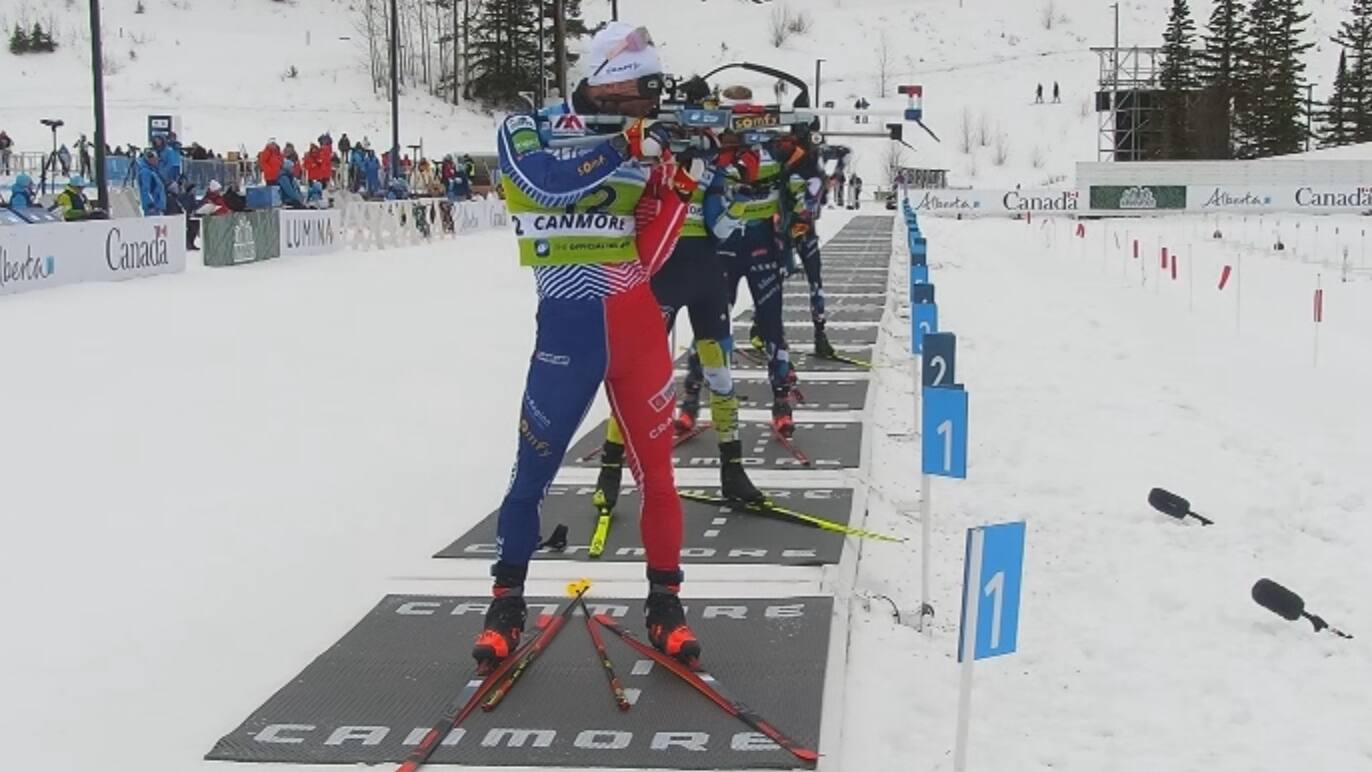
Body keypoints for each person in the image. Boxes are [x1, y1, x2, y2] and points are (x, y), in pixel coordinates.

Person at [477, 21, 702, 672]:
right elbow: (546, 182)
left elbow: (647, 256)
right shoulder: (527, 127)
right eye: (642, 92)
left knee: (658, 476)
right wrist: (626, 145)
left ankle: (666, 606)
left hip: (634, 322)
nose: (651, 106)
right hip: (567, 330)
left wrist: (680, 186)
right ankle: (505, 603)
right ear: (609, 83)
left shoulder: (645, 145)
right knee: (531, 474)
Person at [593, 122, 766, 520]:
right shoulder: (654, 159)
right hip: (661, 280)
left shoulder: (709, 163)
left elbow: (721, 230)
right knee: (636, 378)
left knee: (720, 375)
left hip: (706, 279)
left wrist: (741, 192)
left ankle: (733, 469)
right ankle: (610, 469)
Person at [778, 132, 834, 358]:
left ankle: (820, 334)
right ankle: (763, 329)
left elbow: (813, 202)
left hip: (799, 228)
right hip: (784, 228)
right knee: (775, 280)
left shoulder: (809, 164)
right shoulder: (782, 160)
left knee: (814, 280)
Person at [137, 149, 167, 216]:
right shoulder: (146, 172)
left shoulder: (152, 171)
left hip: (157, 207)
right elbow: (145, 190)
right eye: (155, 159)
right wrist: (150, 205)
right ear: (150, 159)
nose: (157, 161)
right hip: (153, 209)